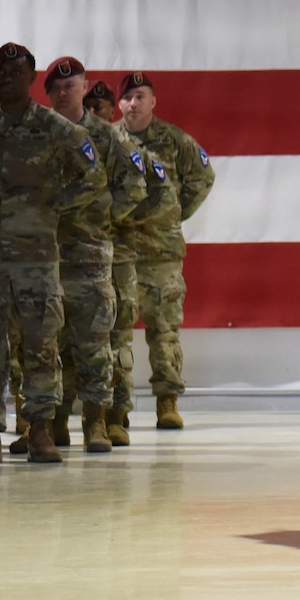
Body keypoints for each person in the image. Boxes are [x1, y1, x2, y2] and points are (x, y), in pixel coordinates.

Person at [0, 44, 99, 464]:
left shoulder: (54, 127)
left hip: (36, 256)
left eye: (18, 70)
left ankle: (40, 430)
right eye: (2, 70)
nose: (9, 76)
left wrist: (55, 203)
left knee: (41, 345)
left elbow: (92, 173)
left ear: (32, 78)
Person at [44, 57, 149, 452]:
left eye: (71, 85)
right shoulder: (40, 132)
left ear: (85, 87)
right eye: (56, 86)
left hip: (89, 255)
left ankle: (96, 423)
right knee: (46, 345)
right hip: (44, 255)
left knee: (93, 345)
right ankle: (51, 422)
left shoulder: (106, 137)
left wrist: (103, 216)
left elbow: (136, 185)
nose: (63, 92)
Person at [117, 71, 215, 431]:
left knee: (164, 331)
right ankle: (118, 406)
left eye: (140, 96)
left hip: (161, 254)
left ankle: (167, 402)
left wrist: (173, 214)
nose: (133, 103)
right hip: (122, 253)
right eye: (127, 98)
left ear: (153, 101)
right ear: (119, 103)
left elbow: (203, 178)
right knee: (117, 332)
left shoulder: (173, 140)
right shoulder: (110, 140)